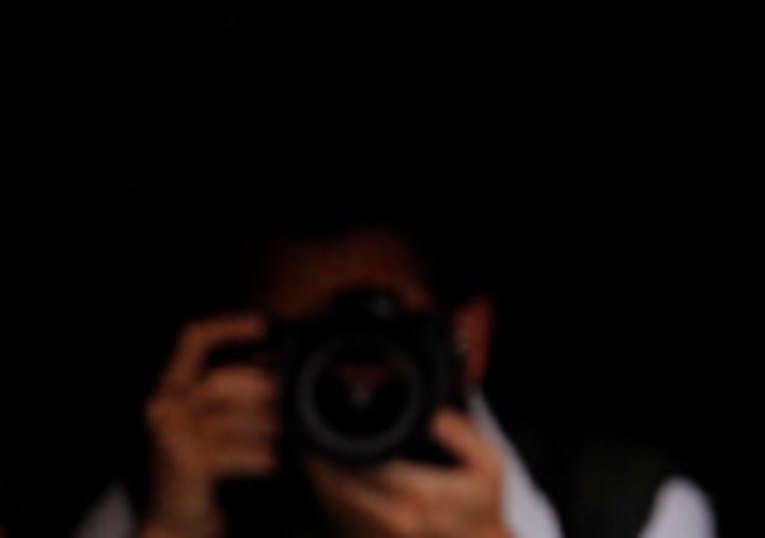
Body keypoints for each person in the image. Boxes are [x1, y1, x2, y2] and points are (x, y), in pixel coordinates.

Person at [78, 215, 712, 538]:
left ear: (467, 338)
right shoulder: (175, 490)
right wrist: (175, 527)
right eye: (299, 341)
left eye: (368, 331)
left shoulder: (621, 505)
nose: (344, 376)